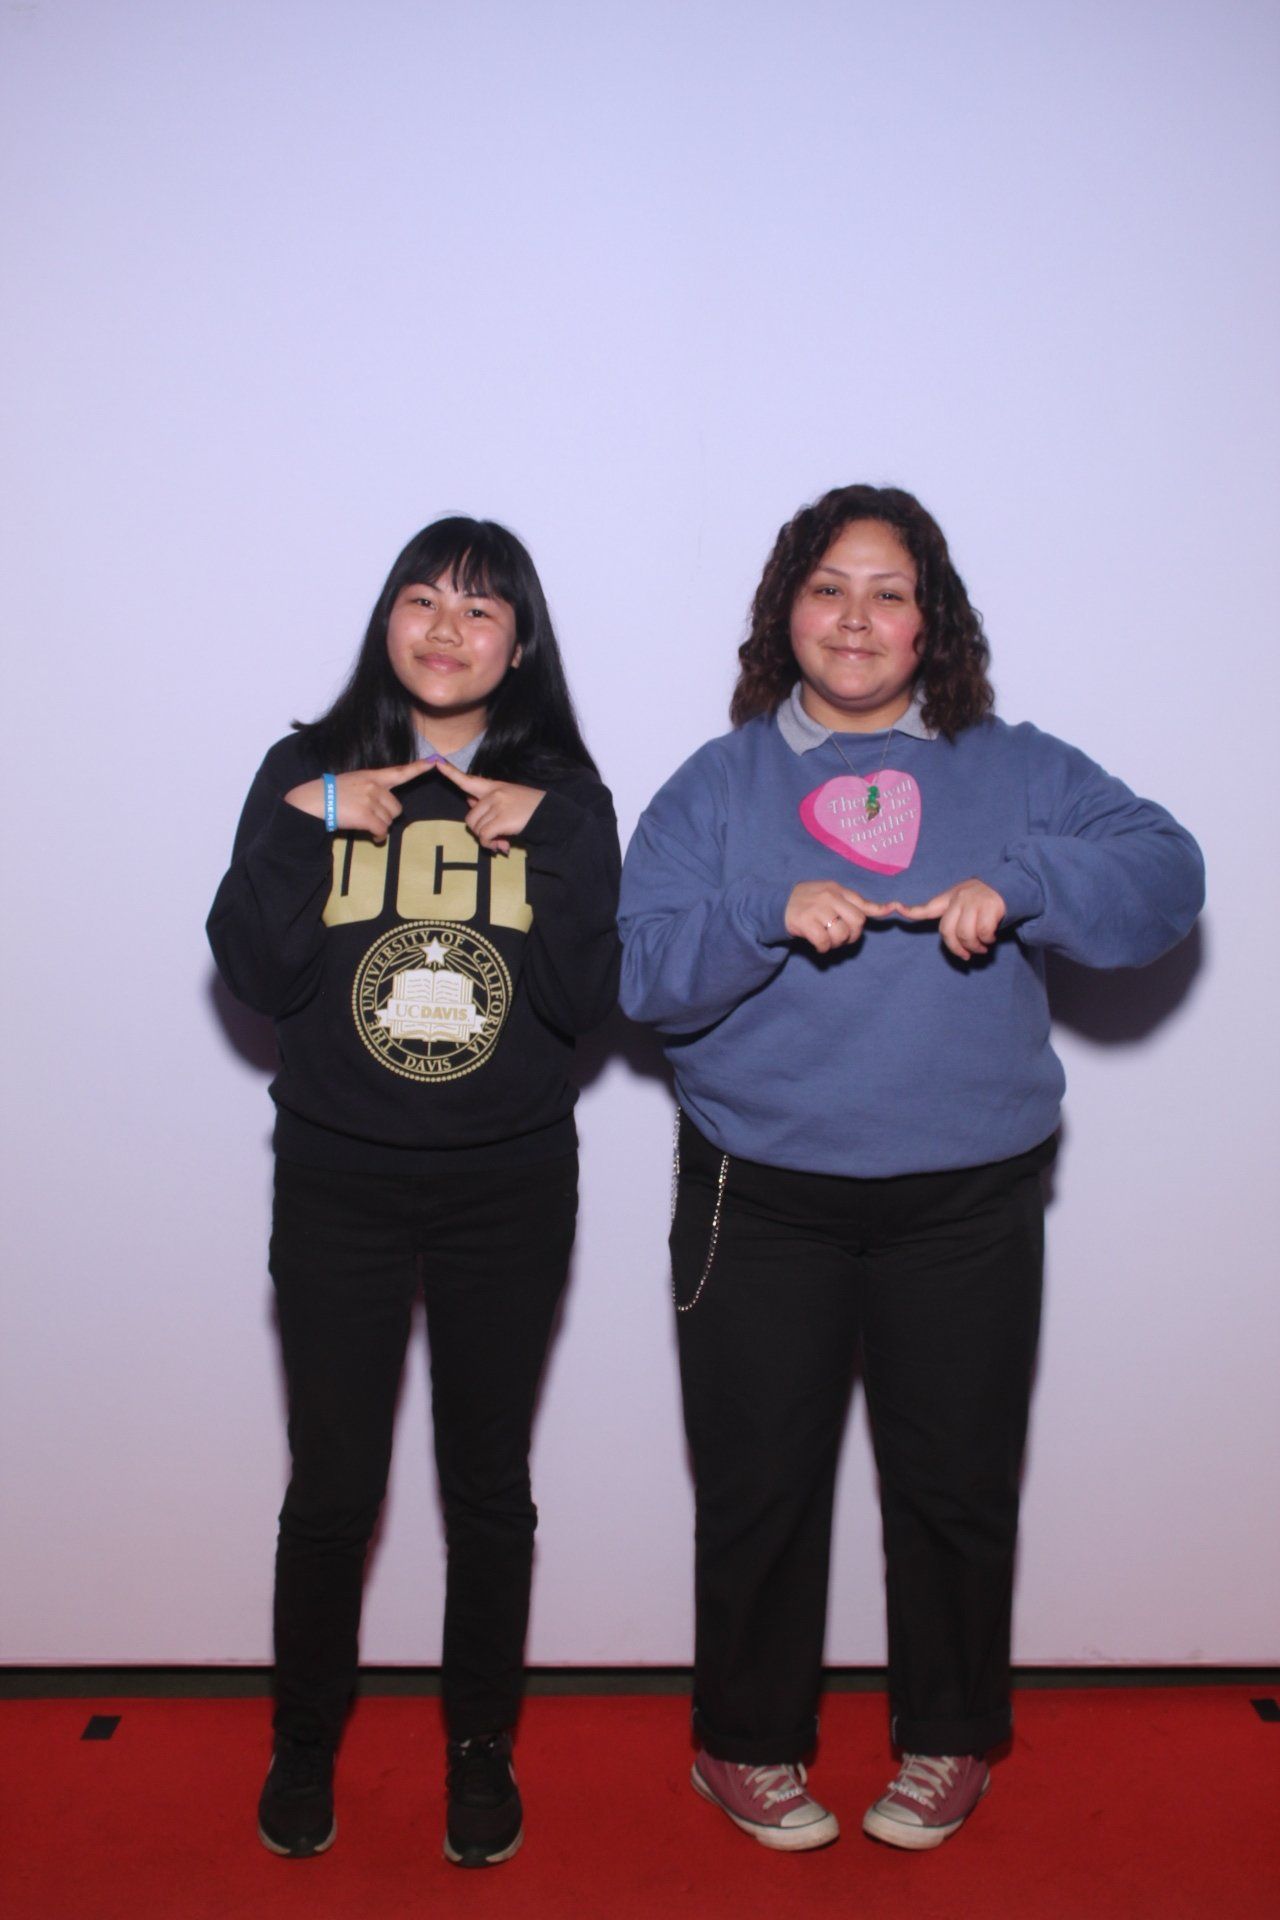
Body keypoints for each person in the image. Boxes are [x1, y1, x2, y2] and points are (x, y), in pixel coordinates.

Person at [618, 484, 1203, 1855]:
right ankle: (744, 1743)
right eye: (828, 587)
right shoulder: (718, 784)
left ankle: (950, 1738)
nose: (856, 618)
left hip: (966, 1195)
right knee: (760, 1485)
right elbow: (637, 974)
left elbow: (1168, 876)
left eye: (889, 592)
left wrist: (1031, 882)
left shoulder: (1017, 767)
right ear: (787, 611)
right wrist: (764, 912)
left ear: (931, 620)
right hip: (757, 1192)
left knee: (956, 1484)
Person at [208, 516, 619, 1867]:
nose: (448, 629)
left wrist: (550, 844)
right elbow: (252, 969)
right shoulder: (304, 770)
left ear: (522, 643)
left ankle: (480, 1750)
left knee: (487, 1483)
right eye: (423, 600)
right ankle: (303, 1744)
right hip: (339, 1181)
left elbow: (586, 997)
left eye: (481, 609)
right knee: (333, 1483)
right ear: (387, 618)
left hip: (508, 1187)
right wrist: (309, 821)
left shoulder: (566, 794)